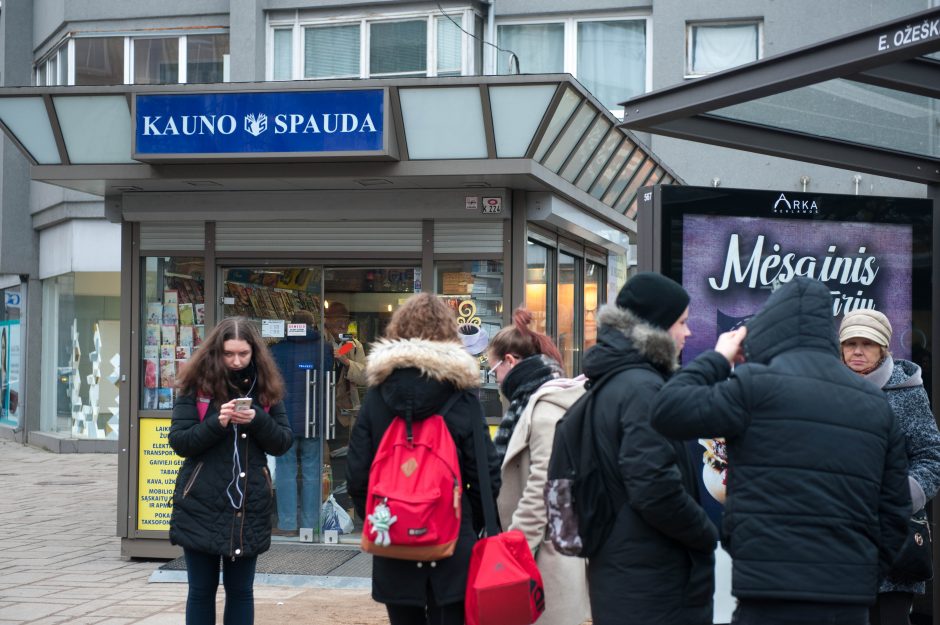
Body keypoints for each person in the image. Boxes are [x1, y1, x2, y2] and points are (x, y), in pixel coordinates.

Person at [651, 278, 911, 625]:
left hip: (766, 591)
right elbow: (895, 508)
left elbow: (667, 410)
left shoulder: (752, 386)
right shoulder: (875, 404)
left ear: (772, 326)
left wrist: (718, 358)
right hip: (846, 597)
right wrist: (864, 567)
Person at [346, 293, 501, 625]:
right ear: (448, 335)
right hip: (452, 543)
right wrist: (466, 523)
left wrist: (382, 514)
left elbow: (358, 472)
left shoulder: (377, 397)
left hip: (393, 541)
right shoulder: (462, 396)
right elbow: (488, 474)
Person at [581, 272, 717, 625]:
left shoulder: (620, 379)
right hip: (651, 581)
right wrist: (705, 532)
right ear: (657, 325)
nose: (688, 333)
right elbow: (654, 487)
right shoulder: (643, 388)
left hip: (628, 571)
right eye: (682, 322)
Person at [168, 317, 293, 625]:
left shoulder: (266, 387)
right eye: (229, 354)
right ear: (216, 352)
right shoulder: (196, 385)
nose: (236, 361)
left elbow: (282, 442)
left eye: (243, 354)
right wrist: (217, 423)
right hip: (201, 502)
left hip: (247, 504)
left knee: (240, 591)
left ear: (254, 353)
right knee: (201, 590)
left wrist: (257, 419)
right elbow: (181, 442)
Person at [488, 307, 591, 625]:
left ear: (510, 361)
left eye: (493, 371)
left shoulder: (542, 408)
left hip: (541, 558)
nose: (496, 380)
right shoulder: (540, 400)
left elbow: (544, 489)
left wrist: (514, 549)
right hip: (545, 553)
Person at [838, 309, 940, 625]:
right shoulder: (825, 388)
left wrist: (899, 498)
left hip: (893, 540)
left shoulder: (907, 391)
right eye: (850, 343)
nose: (857, 351)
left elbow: (931, 458)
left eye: (867, 343)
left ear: (883, 348)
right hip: (837, 541)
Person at [269, 309, 333, 537]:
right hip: (313, 418)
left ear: (290, 324)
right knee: (312, 471)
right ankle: (310, 524)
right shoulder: (324, 348)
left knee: (285, 470)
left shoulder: (276, 350)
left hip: (284, 419)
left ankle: (287, 524)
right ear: (313, 324)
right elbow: (327, 375)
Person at [323, 301, 368, 512]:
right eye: (337, 319)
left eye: (345, 320)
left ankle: (342, 503)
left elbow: (366, 375)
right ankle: (325, 502)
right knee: (324, 459)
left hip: (344, 411)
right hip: (321, 410)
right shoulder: (320, 341)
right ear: (326, 320)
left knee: (344, 458)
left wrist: (347, 361)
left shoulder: (352, 345)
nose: (342, 324)